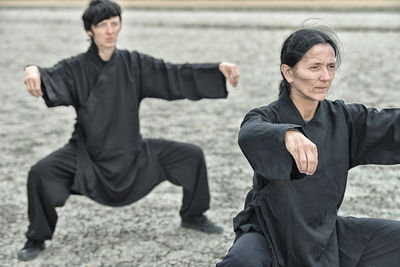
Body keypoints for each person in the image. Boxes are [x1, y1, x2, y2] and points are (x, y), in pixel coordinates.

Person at [18, 0, 240, 261]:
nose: (110, 31)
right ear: (90, 30)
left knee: (191, 156)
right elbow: (49, 76)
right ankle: (36, 237)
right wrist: (32, 69)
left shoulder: (134, 64)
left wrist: (216, 70)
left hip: (133, 154)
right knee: (40, 173)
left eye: (115, 24)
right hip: (87, 156)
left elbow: (173, 74)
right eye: (102, 25)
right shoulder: (75, 68)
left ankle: (193, 215)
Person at [217, 26, 400, 267]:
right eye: (314, 67)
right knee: (241, 261)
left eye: (330, 67)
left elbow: (390, 125)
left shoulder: (343, 119)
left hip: (324, 236)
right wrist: (287, 135)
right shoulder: (267, 116)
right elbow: (250, 133)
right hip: (270, 235)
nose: (325, 76)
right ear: (289, 73)